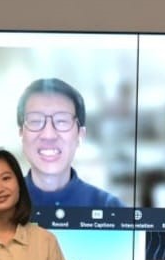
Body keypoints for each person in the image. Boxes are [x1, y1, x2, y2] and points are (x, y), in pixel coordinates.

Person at [16, 77, 124, 209]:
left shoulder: (109, 207)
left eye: (61, 121)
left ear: (80, 135)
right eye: (35, 121)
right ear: (21, 133)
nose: (48, 135)